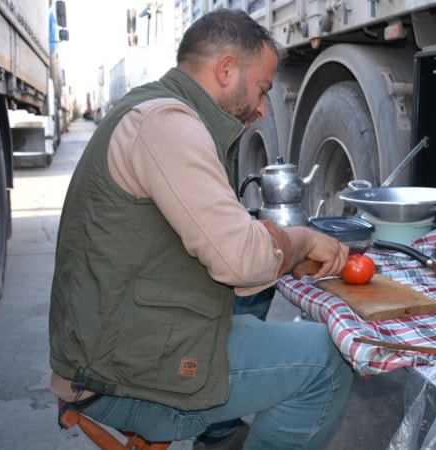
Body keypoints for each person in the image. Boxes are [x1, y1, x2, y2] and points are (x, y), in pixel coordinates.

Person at [48, 8, 353, 450]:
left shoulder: (157, 110)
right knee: (328, 360)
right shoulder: (166, 124)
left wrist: (276, 253)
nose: (263, 110)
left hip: (123, 339)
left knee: (258, 297)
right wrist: (302, 239)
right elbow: (242, 260)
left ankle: (219, 434)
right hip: (119, 373)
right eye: (262, 90)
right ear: (226, 69)